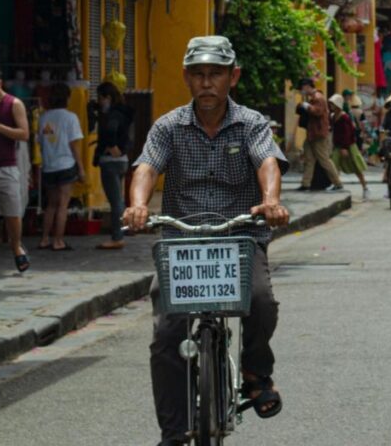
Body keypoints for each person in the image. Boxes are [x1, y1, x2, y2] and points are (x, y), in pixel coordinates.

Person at [123, 35, 291, 445]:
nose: (207, 83)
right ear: (186, 78)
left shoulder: (251, 123)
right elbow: (146, 166)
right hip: (183, 242)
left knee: (262, 302)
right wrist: (137, 205)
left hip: (240, 237)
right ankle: (174, 433)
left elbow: (267, 161)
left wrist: (270, 201)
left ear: (233, 76)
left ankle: (254, 373)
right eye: (198, 74)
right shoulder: (168, 126)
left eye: (215, 74)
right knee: (166, 335)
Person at [0, 62, 31, 275]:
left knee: (12, 215)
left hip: (7, 167)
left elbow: (24, 134)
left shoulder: (14, 104)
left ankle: (16, 246)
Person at [38, 82, 86, 252]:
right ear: (67, 98)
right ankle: (58, 241)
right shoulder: (70, 118)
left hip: (49, 166)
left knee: (50, 205)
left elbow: (41, 143)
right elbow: (74, 145)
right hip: (66, 165)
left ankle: (44, 239)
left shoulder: (43, 118)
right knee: (62, 205)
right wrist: (81, 169)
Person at [91, 81, 133, 250]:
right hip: (122, 160)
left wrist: (111, 146)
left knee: (115, 202)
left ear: (107, 97)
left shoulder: (112, 114)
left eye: (100, 98)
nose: (100, 102)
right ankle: (120, 232)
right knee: (119, 200)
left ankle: (117, 236)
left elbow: (110, 131)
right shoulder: (124, 111)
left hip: (111, 162)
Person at [296, 77, 343, 193]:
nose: (302, 90)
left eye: (302, 88)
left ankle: (337, 183)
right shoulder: (312, 97)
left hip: (318, 134)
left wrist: (306, 106)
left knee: (324, 160)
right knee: (309, 159)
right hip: (312, 133)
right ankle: (305, 184)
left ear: (307, 87)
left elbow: (318, 111)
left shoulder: (318, 97)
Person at [328, 94, 370, 200]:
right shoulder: (333, 116)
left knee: (356, 167)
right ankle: (336, 184)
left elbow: (347, 133)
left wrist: (344, 147)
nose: (331, 106)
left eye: (333, 104)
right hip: (338, 145)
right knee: (333, 164)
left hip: (348, 145)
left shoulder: (344, 117)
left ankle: (365, 188)